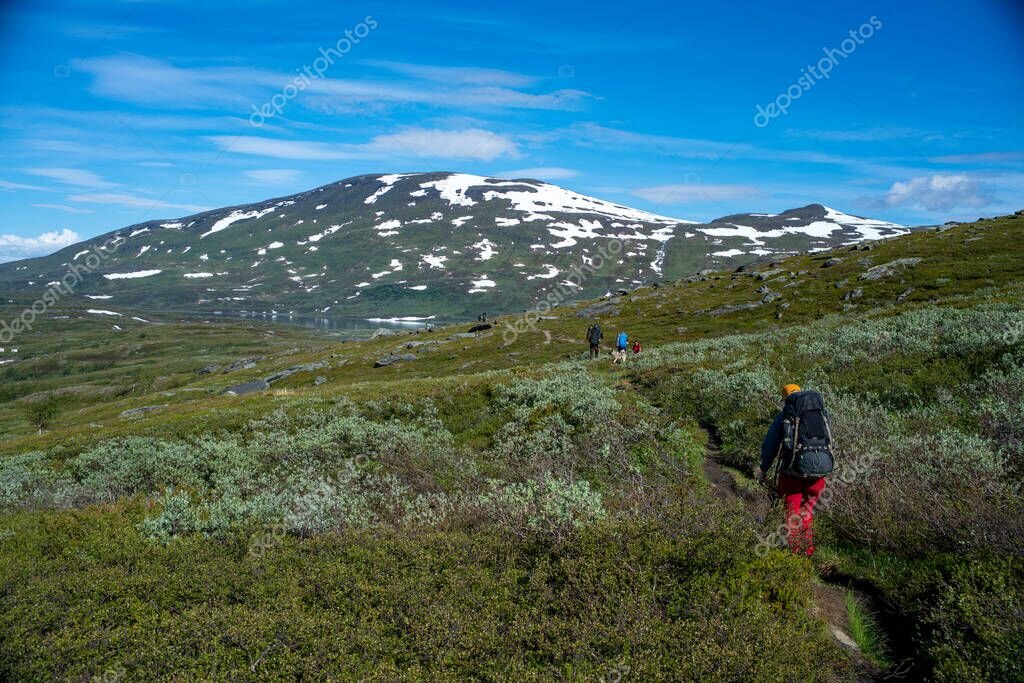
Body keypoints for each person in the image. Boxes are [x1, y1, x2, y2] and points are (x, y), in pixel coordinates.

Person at [757, 383, 835, 557]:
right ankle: (807, 552)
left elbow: (770, 446)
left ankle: (795, 555)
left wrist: (763, 469)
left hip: (792, 474)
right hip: (819, 474)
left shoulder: (784, 415)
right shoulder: (822, 413)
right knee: (807, 513)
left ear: (785, 398)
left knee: (792, 514)